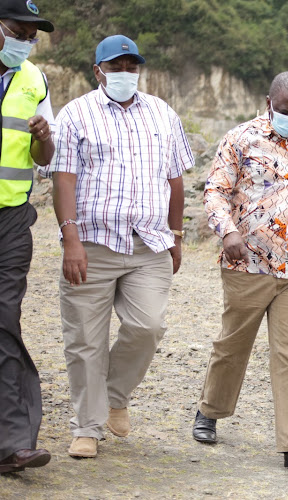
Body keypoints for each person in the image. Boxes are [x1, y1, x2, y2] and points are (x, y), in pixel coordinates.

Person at [42, 35, 194, 459]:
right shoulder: (76, 115)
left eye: (131, 66)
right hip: (92, 242)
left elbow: (175, 179)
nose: (125, 73)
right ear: (98, 71)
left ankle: (114, 396)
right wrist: (70, 238)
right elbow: (64, 179)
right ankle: (86, 427)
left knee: (148, 327)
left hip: (149, 243)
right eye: (116, 66)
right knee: (85, 340)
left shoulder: (162, 113)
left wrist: (176, 235)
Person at [193, 71, 288, 473]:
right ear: (269, 103)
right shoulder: (241, 138)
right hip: (248, 262)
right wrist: (229, 231)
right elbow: (215, 191)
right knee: (234, 344)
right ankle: (210, 410)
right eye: (286, 111)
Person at [0, 0, 55, 474]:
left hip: (12, 219)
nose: (26, 43)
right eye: (19, 31)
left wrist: (43, 136)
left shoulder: (34, 79)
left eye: (31, 36)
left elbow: (43, 156)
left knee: (4, 318)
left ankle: (13, 443)